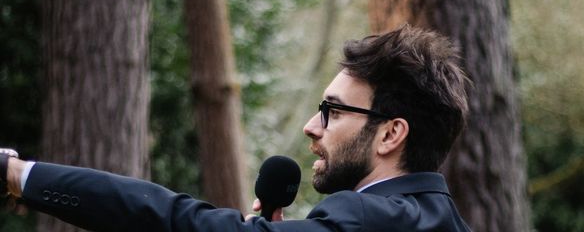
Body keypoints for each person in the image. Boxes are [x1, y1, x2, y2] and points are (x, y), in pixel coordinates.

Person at [1, 24, 472, 231]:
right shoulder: (441, 219)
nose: (312, 127)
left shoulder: (375, 217)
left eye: (334, 111)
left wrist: (21, 176)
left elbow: (176, 222)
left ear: (392, 133)